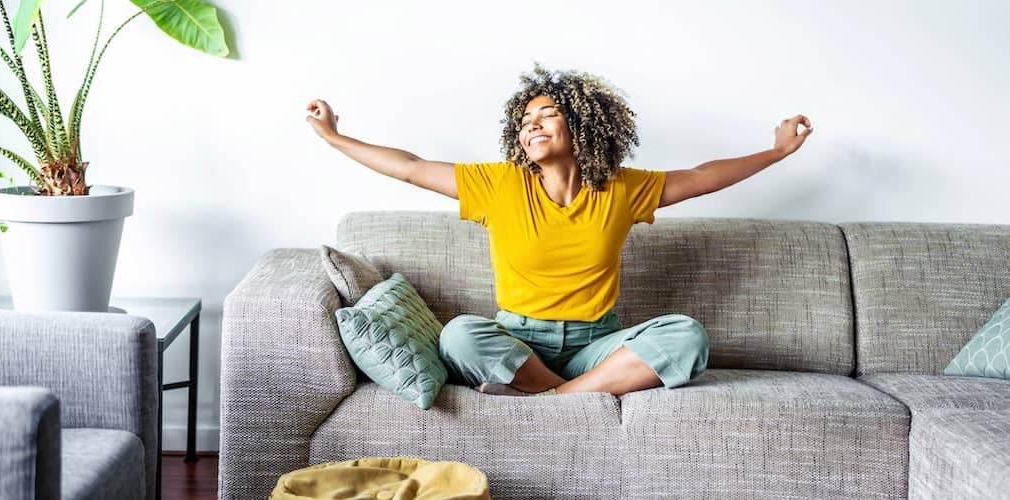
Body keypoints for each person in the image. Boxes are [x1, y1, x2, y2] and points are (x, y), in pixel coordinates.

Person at [305, 65, 813, 397]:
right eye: (525, 120)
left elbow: (702, 178)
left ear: (584, 126)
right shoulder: (498, 185)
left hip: (599, 343)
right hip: (519, 341)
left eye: (548, 114)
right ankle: (579, 393)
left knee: (686, 336)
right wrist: (334, 138)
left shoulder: (620, 189)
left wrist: (777, 151)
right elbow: (412, 167)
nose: (533, 124)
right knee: (459, 335)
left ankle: (555, 399)